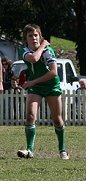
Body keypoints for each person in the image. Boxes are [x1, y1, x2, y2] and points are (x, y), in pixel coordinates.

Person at [17, 24, 69, 160]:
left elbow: (53, 72)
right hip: (36, 87)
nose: (34, 38)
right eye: (30, 35)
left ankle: (63, 150)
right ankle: (29, 150)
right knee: (30, 116)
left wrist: (32, 82)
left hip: (51, 85)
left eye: (36, 35)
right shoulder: (24, 50)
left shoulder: (48, 51)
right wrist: (42, 46)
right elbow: (33, 58)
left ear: (40, 37)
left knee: (57, 120)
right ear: (26, 39)